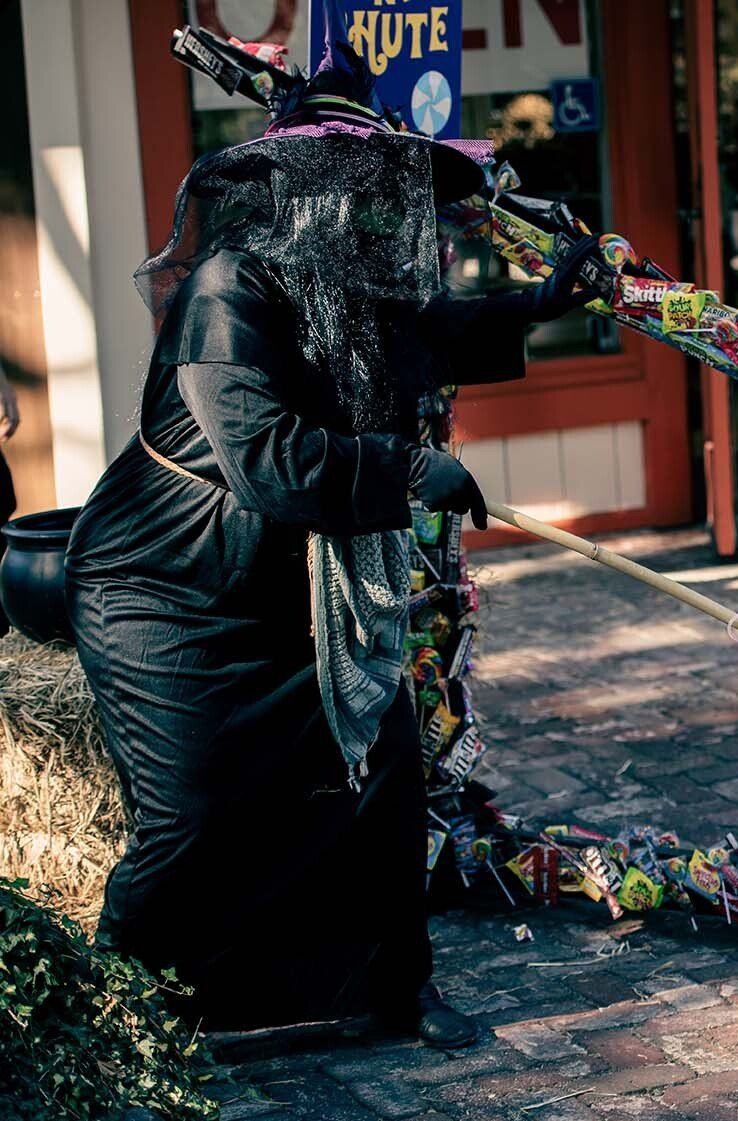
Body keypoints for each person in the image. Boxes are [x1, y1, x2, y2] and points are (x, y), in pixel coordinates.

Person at [64, 46, 598, 1047]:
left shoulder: (342, 288)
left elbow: (429, 331)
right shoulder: (226, 287)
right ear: (305, 193)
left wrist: (540, 306)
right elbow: (267, 454)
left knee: (386, 771)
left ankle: (393, 991)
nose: (380, 209)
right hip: (167, 591)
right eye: (360, 187)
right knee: (189, 818)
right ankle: (108, 1025)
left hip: (285, 584)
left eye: (384, 187)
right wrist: (403, 473)